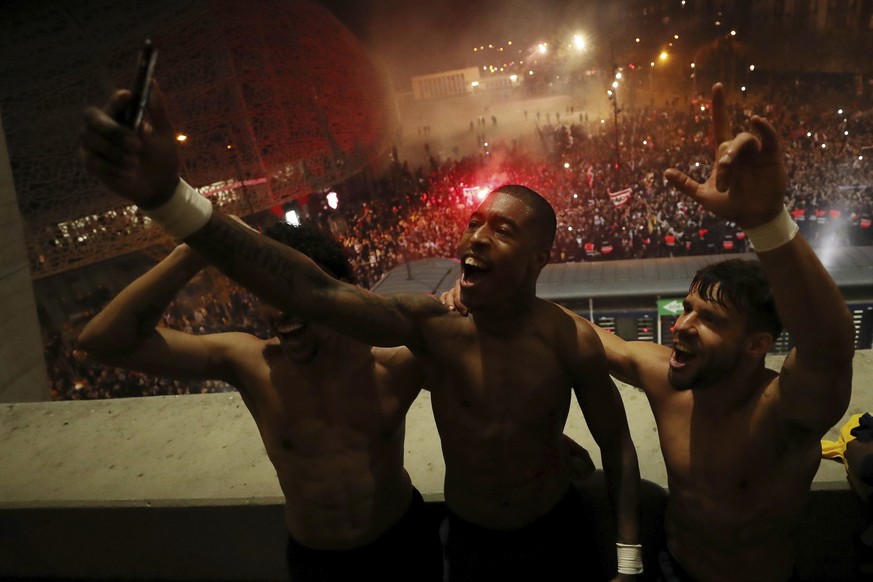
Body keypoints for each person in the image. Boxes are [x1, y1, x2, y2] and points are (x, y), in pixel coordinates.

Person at [80, 81, 642, 581]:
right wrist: (171, 201)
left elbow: (608, 439)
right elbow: (315, 293)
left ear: (540, 257)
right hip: (467, 545)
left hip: (546, 532)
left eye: (501, 229)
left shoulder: (565, 341)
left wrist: (628, 557)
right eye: (472, 223)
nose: (476, 237)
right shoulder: (430, 332)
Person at [443, 82, 856, 581]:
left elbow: (829, 348)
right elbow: (572, 333)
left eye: (710, 320)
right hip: (671, 568)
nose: (681, 327)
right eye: (687, 309)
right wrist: (483, 295)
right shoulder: (663, 378)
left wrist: (768, 223)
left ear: (757, 346)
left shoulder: (785, 413)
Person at [76, 220, 443, 582]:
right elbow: (104, 341)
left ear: (336, 295)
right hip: (318, 561)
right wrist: (194, 248)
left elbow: (482, 352)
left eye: (290, 296)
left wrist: (461, 301)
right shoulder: (251, 364)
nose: (279, 312)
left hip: (401, 544)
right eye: (267, 296)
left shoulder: (394, 363)